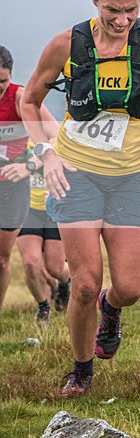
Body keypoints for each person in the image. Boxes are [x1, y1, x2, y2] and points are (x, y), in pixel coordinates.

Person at [21, 0, 140, 398]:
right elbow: (29, 102)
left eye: (131, 10)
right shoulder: (65, 45)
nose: (122, 20)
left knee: (128, 287)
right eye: (113, 10)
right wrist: (46, 153)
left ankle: (111, 310)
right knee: (85, 283)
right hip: (76, 174)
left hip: (130, 178)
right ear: (94, 0)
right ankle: (81, 370)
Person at [0, 46, 59, 310]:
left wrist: (30, 165)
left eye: (2, 81)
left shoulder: (19, 97)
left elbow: (56, 135)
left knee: (2, 259)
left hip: (12, 188)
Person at [16, 142, 72, 324]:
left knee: (55, 268)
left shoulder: (57, 139)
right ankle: (43, 306)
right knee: (30, 263)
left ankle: (64, 284)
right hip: (27, 210)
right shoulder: (15, 143)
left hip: (54, 209)